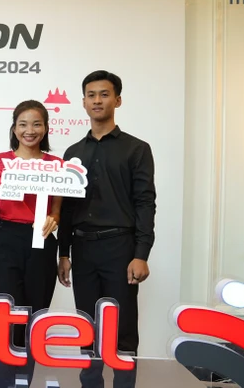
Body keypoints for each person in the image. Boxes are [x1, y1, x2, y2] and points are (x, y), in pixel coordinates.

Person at [57, 70, 156, 388]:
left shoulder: (136, 149)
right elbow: (67, 208)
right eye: (91, 95)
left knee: (122, 327)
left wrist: (141, 254)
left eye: (104, 94)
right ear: (83, 102)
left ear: (118, 100)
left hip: (120, 248)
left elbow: (145, 203)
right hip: (83, 249)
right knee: (87, 326)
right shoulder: (73, 153)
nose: (97, 100)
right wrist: (63, 253)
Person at [0, 100, 62, 388]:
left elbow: (57, 211)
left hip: (42, 240)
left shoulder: (57, 165)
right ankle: (0, 382)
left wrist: (53, 219)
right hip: (7, 239)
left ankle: (23, 381)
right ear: (14, 129)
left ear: (46, 128)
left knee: (34, 316)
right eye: (23, 124)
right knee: (6, 314)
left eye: (37, 124)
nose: (30, 130)